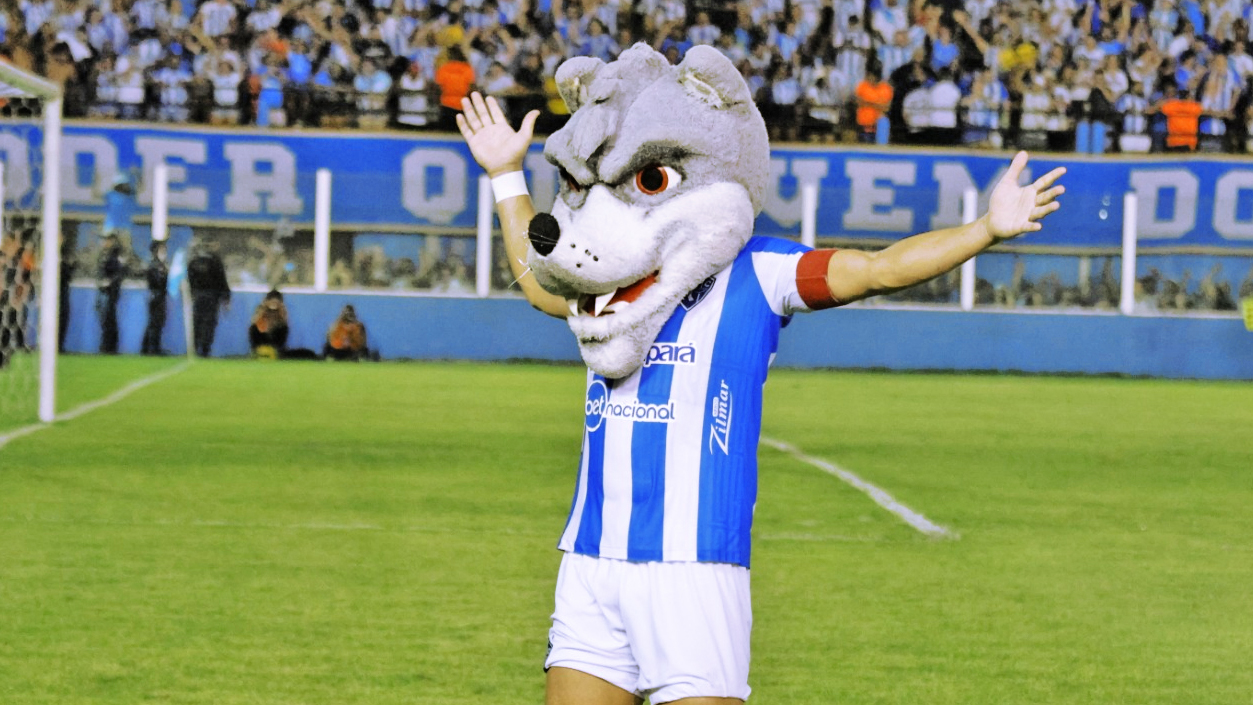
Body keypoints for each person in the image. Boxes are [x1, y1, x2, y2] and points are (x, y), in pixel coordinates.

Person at [457, 91, 1065, 705]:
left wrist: (985, 230)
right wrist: (505, 174)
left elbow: (877, 269)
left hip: (695, 567)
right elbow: (539, 284)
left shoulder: (762, 271)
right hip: (591, 559)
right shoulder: (610, 273)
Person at [186, 241, 231, 357]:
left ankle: (195, 348)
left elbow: (190, 278)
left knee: (197, 322)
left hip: (198, 296)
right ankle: (205, 350)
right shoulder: (215, 260)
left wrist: (193, 292)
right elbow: (222, 280)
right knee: (209, 323)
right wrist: (226, 297)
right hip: (212, 296)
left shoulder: (194, 261)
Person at [95, 232, 127, 354]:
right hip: (106, 292)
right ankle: (108, 346)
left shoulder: (113, 256)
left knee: (109, 320)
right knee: (107, 320)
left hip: (110, 292)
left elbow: (118, 274)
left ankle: (108, 346)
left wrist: (109, 282)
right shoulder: (104, 255)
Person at [141, 240, 169, 356]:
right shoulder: (155, 266)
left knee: (156, 322)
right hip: (156, 296)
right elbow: (158, 281)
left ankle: (150, 347)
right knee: (155, 322)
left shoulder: (159, 265)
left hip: (157, 296)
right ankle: (152, 349)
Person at [249, 288, 290, 358]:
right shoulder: (261, 309)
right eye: (272, 300)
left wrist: (280, 311)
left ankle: (277, 351)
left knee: (283, 328)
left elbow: (284, 323)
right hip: (262, 339)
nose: (274, 303)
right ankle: (257, 351)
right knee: (254, 328)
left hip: (274, 341)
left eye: (276, 301)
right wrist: (263, 309)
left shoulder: (282, 311)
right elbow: (254, 323)